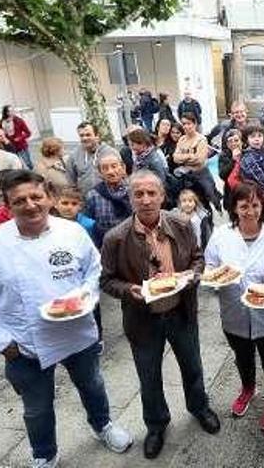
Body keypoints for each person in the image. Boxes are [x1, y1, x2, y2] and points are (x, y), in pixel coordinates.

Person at [0, 169, 133, 467]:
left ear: (49, 198)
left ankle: (102, 425)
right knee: (37, 408)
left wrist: (86, 298)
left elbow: (94, 270)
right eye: (19, 200)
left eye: (36, 197)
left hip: (77, 332)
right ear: (7, 206)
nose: (30, 205)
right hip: (25, 344)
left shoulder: (72, 232)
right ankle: (44, 454)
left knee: (92, 385)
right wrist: (1, 341)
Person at [100, 170, 220, 459]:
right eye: (138, 194)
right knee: (149, 375)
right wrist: (129, 290)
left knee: (192, 366)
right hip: (143, 319)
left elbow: (197, 257)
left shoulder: (181, 224)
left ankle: (199, 407)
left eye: (151, 193)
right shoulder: (115, 238)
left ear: (163, 196)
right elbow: (106, 280)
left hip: (181, 312)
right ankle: (156, 425)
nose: (145, 199)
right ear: (130, 199)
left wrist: (194, 274)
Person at [204, 181, 264, 431]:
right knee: (242, 355)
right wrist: (214, 278)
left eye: (254, 205)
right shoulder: (221, 236)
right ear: (234, 208)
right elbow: (210, 265)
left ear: (262, 206)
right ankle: (248, 388)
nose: (250, 211)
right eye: (243, 206)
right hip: (233, 310)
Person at [173, 112, 220, 211]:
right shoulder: (182, 139)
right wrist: (190, 156)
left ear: (194, 124)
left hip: (201, 175)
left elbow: (199, 159)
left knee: (206, 199)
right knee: (190, 203)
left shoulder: (201, 139)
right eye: (184, 124)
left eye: (189, 123)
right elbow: (175, 158)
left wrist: (183, 158)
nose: (186, 126)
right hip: (187, 177)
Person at [84, 153, 131, 248]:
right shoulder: (93, 195)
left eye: (114, 166)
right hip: (105, 246)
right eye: (105, 168)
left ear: (123, 168)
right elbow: (90, 224)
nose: (110, 171)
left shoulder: (134, 190)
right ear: (100, 173)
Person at [67, 122, 118, 197]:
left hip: (110, 199)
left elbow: (122, 176)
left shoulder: (110, 153)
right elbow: (70, 181)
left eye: (88, 135)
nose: (84, 138)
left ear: (97, 136)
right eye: (81, 135)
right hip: (85, 201)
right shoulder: (74, 156)